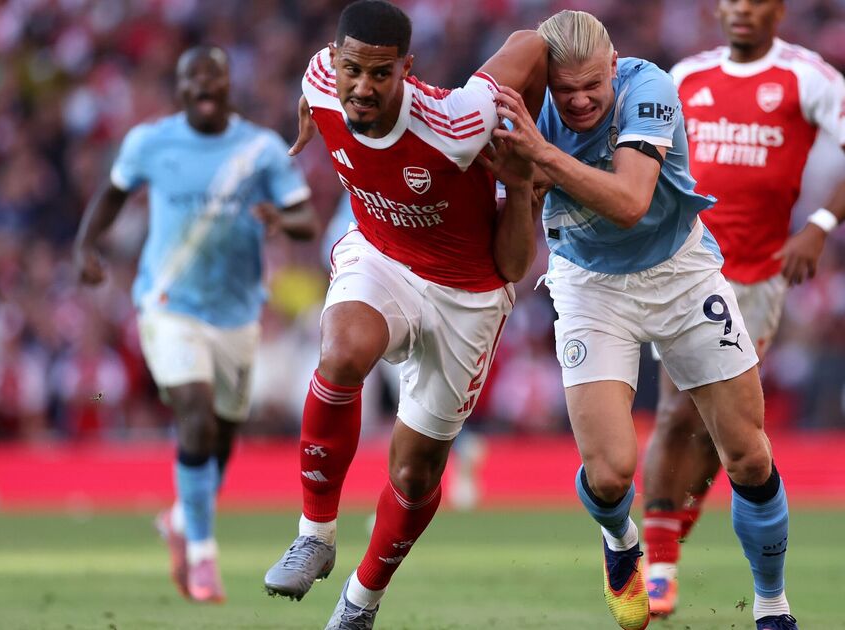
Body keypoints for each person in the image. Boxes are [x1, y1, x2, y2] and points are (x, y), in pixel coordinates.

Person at [492, 10, 796, 630]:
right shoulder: (525, 117)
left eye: (590, 87)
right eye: (563, 89)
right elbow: (515, 255)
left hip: (680, 271)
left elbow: (632, 202)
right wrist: (522, 188)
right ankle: (620, 540)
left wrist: (542, 159)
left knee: (747, 456)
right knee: (608, 474)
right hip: (588, 284)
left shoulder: (649, 86)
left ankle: (771, 602)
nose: (577, 101)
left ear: (612, 67)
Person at [259, 2, 545, 627]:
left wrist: (530, 160)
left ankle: (361, 600)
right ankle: (315, 534)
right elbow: (315, 90)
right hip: (381, 254)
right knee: (340, 353)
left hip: (465, 295)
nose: (363, 86)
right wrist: (306, 113)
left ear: (406, 70)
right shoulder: (317, 81)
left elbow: (530, 43)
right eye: (351, 70)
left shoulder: (459, 121)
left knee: (415, 474)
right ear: (333, 62)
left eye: (381, 74)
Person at [641, 0, 845, 618]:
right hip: (685, 265)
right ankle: (660, 561)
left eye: (755, 2)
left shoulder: (809, 77)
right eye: (731, 1)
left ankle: (669, 543)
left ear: (778, 11)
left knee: (725, 431)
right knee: (677, 409)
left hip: (757, 281)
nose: (741, 11)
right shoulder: (684, 76)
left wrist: (820, 226)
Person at [73, 45, 318, 603]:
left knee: (223, 432)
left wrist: (281, 218)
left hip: (236, 312)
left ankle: (183, 518)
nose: (204, 85)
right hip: (167, 303)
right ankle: (204, 556)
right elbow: (112, 195)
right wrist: (86, 246)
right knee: (194, 408)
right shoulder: (150, 143)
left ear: (229, 85)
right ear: (180, 88)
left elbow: (305, 216)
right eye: (192, 78)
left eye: (214, 76)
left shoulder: (258, 150)